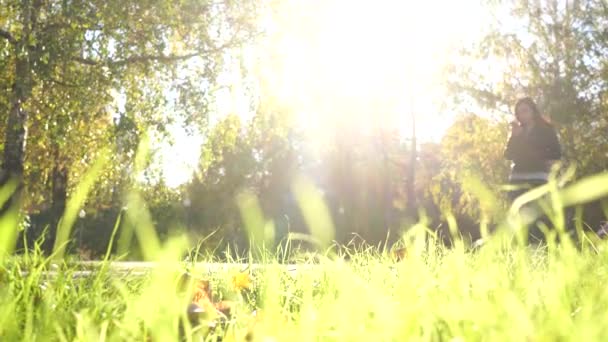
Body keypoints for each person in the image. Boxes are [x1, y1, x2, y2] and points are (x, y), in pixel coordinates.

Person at [504, 97, 562, 240]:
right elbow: (508, 155)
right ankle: (522, 255)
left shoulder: (546, 130)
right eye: (518, 112)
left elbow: (556, 153)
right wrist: (515, 137)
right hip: (517, 180)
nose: (521, 115)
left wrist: (537, 156)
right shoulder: (518, 131)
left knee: (538, 219)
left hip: (538, 179)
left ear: (533, 111)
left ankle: (540, 253)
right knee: (519, 220)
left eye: (525, 111)